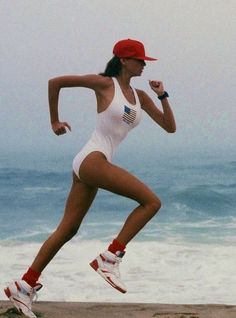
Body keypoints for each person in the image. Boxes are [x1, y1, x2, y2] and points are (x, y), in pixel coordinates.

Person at [4, 38, 176, 318]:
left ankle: (25, 284)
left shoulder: (140, 96)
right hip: (92, 158)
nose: (144, 64)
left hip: (94, 162)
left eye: (145, 61)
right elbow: (55, 82)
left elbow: (169, 127)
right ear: (123, 60)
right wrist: (54, 121)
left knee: (68, 229)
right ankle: (110, 257)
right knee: (151, 202)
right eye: (139, 60)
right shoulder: (104, 83)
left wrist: (163, 94)